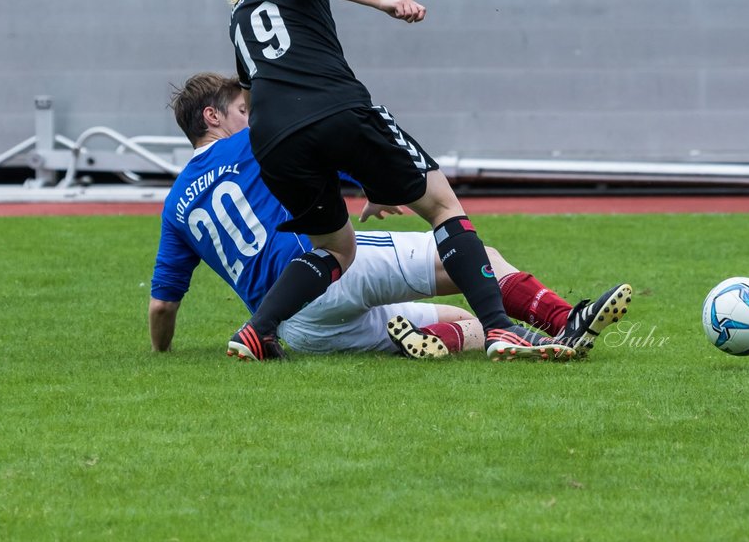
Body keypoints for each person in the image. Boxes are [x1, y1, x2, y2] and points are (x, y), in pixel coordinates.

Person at [225, 0, 561, 361]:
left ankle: (257, 330)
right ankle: (500, 328)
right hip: (335, 106)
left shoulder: (240, 11)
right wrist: (382, 1)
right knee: (443, 206)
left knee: (335, 248)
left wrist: (374, 180)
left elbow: (250, 92)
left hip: (271, 139)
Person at [149, 73, 633, 359]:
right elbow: (332, 151)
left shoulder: (175, 205)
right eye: (241, 108)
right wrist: (375, 185)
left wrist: (162, 355)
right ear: (213, 118)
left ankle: (429, 340)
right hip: (326, 275)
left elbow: (163, 308)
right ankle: (565, 318)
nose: (252, 117)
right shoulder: (254, 141)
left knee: (461, 321)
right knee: (471, 255)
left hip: (297, 329)